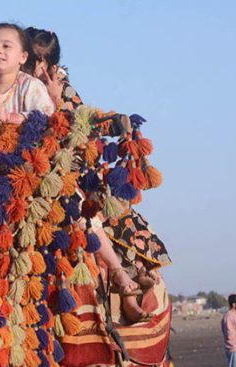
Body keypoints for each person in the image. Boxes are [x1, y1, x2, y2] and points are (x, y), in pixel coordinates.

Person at [24, 26, 169, 324]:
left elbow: (80, 124)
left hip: (61, 172)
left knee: (87, 213)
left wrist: (54, 102)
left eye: (40, 60)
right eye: (30, 59)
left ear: (50, 64)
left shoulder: (60, 89)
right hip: (23, 169)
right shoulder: (11, 88)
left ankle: (120, 278)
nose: (34, 67)